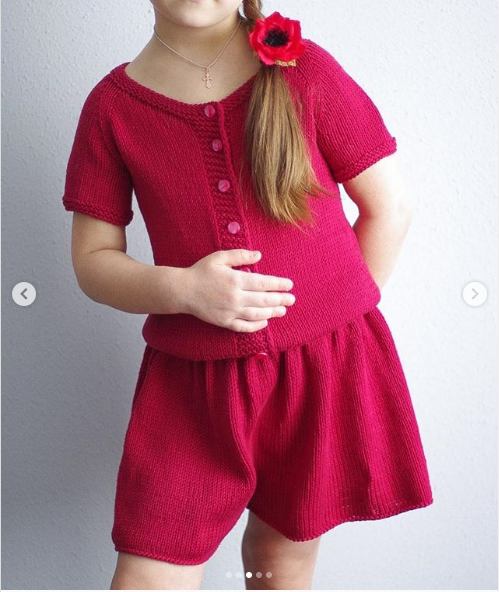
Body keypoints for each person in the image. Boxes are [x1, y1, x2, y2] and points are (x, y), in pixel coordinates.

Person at [61, 1, 434, 589]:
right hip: (190, 389)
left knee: (278, 558)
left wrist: (330, 330)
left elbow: (390, 207)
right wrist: (183, 290)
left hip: (316, 374)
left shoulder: (304, 70)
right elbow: (92, 261)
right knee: (149, 572)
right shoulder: (112, 107)